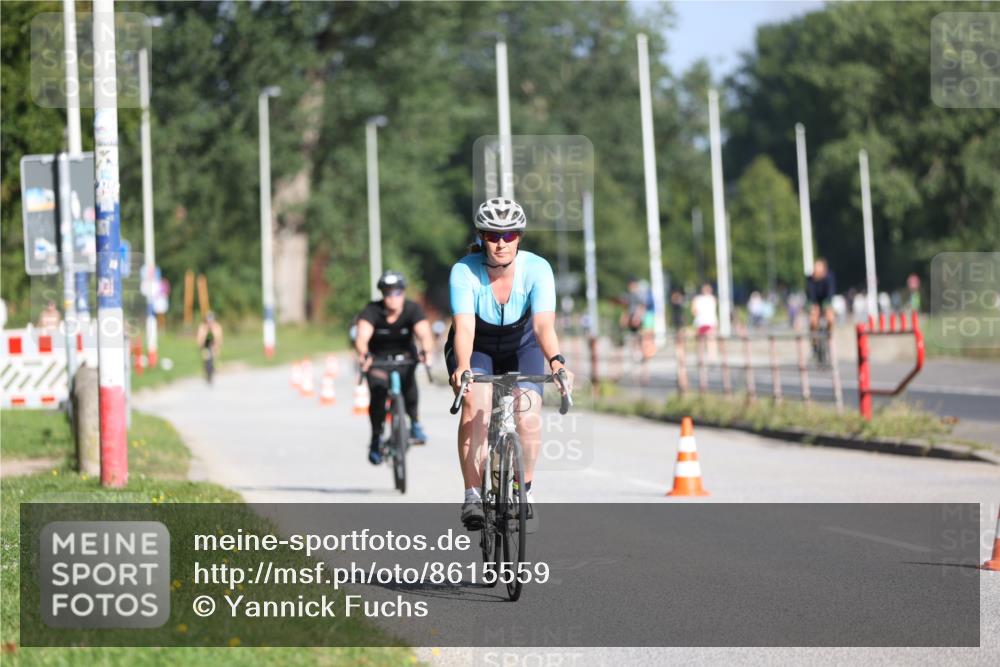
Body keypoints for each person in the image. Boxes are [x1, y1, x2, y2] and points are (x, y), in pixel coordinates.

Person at [446, 197, 573, 530]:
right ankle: (473, 494)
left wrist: (557, 363)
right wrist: (462, 366)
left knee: (527, 414)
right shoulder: (464, 271)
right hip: (477, 347)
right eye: (492, 235)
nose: (501, 243)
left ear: (519, 237)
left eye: (509, 235)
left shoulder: (537, 268)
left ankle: (524, 489)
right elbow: (465, 326)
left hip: (523, 345)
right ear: (480, 236)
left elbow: (544, 325)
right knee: (476, 405)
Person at [355, 270, 435, 465]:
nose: (393, 297)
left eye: (397, 292)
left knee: (410, 388)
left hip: (404, 359)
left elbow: (424, 334)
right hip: (379, 361)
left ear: (403, 292)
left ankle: (415, 423)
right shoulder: (372, 310)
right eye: (387, 292)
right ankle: (376, 438)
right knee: (378, 395)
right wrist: (364, 354)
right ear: (382, 294)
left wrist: (426, 350)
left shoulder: (412, 309)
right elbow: (362, 337)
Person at [806, 258, 836, 333]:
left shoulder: (829, 278)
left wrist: (826, 305)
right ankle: (814, 338)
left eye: (818, 267)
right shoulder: (810, 279)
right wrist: (814, 306)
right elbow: (811, 294)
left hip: (826, 300)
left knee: (830, 318)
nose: (815, 269)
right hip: (814, 301)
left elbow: (830, 292)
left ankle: (829, 335)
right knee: (813, 318)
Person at [196, 312, 223, 382]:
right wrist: (201, 345)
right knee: (206, 359)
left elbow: (219, 338)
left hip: (214, 346)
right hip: (205, 346)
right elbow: (199, 338)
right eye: (208, 321)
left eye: (211, 321)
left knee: (213, 358)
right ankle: (207, 370)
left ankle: (212, 369)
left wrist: (217, 346)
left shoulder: (217, 327)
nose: (210, 323)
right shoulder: (202, 327)